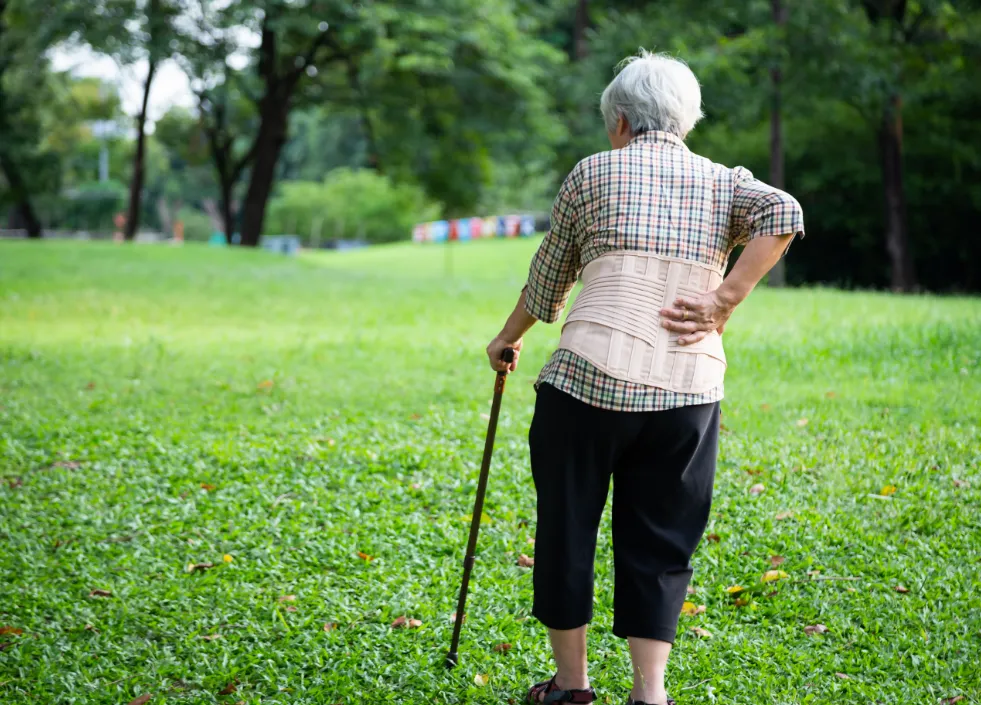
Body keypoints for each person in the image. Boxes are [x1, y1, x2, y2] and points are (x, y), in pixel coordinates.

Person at [486, 50, 805, 705]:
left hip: (584, 386)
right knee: (660, 539)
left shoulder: (592, 173)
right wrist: (725, 297)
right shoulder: (724, 181)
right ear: (684, 120)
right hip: (686, 395)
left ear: (620, 122)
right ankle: (649, 694)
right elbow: (784, 213)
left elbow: (549, 280)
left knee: (567, 526)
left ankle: (571, 689)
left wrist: (506, 338)